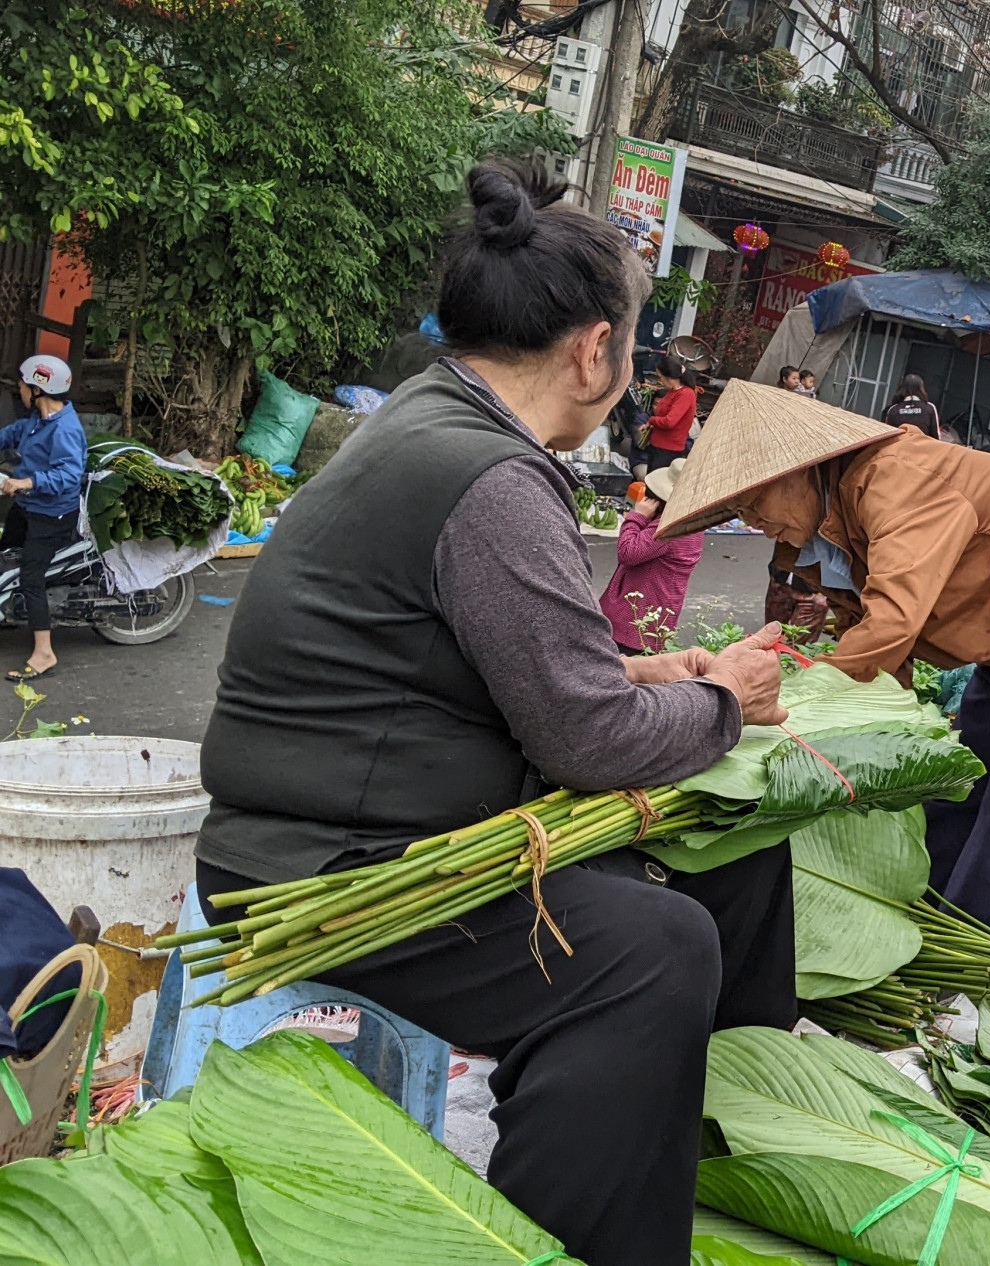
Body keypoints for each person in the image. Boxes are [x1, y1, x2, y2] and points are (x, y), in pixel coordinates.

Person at [192, 160, 790, 1266]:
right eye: (634, 342)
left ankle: (718, 1151)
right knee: (654, 949)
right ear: (593, 350)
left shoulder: (431, 419)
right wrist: (720, 700)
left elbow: (486, 657)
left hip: (368, 821)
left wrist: (647, 675)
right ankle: (551, 1242)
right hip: (331, 866)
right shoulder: (495, 480)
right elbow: (587, 740)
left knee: (737, 852)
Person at [650, 380, 990, 934]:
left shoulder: (894, 479)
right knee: (961, 775)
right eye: (737, 511)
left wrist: (795, 710)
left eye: (753, 502)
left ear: (798, 470)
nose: (753, 524)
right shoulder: (826, 533)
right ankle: (919, 921)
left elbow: (893, 621)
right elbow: (876, 644)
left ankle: (969, 953)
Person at [1, 356, 86, 681]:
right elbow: (18, 433)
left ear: (38, 389)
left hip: (51, 515)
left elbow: (68, 475)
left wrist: (27, 481)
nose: (20, 391)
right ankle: (11, 607)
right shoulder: (40, 417)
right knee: (7, 552)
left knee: (30, 577)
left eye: (23, 386)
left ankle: (44, 653)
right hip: (27, 506)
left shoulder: (64, 429)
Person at [599, 463, 705, 653]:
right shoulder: (692, 523)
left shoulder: (670, 528)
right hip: (657, 616)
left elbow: (628, 552)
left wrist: (636, 517)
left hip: (636, 620)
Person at [640, 355, 698, 475]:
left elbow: (669, 422)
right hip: (657, 447)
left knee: (655, 487)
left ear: (669, 377)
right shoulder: (673, 391)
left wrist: (652, 420)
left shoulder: (686, 394)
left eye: (660, 377)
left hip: (668, 450)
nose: (660, 381)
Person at [880, 374, 941, 439]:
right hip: (922, 448)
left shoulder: (892, 409)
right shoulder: (930, 408)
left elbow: (885, 435)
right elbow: (936, 436)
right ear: (921, 388)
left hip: (898, 447)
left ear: (902, 388)